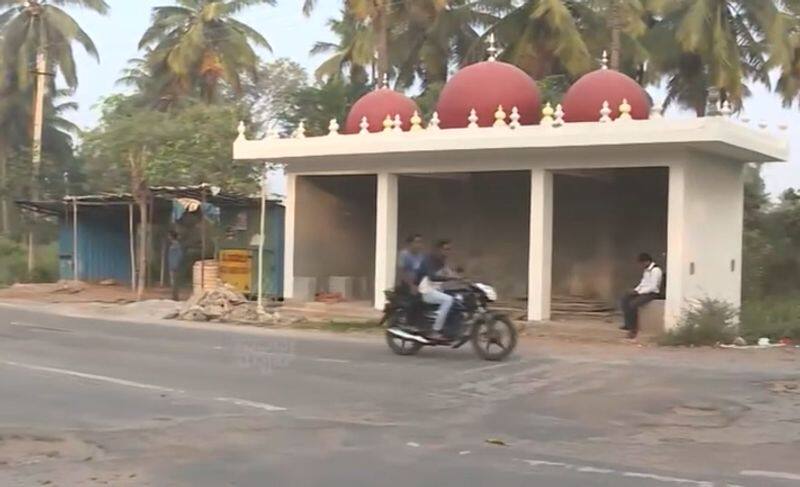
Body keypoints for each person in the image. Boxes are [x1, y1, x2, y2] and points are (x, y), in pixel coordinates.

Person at [417, 239, 457, 341]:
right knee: (448, 300)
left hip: (436, 289)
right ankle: (435, 330)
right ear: (439, 249)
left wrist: (463, 279)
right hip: (427, 291)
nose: (448, 251)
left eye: (449, 249)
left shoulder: (442, 261)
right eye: (446, 249)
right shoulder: (429, 260)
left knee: (456, 298)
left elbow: (449, 273)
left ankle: (449, 327)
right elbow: (432, 277)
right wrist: (450, 278)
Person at [620, 252, 663, 338]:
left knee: (633, 304)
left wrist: (639, 292)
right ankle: (628, 324)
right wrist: (635, 290)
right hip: (643, 291)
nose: (641, 265)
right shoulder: (646, 271)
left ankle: (633, 330)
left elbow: (653, 287)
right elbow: (642, 283)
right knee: (625, 299)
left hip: (652, 293)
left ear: (647, 261)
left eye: (642, 263)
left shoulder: (656, 270)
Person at [167, 231, 183, 301]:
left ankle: (175, 297)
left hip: (174, 266)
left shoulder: (176, 245)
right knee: (173, 282)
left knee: (174, 282)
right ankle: (174, 296)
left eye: (169, 236)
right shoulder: (173, 245)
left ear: (172, 237)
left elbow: (179, 256)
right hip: (172, 266)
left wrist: (175, 265)